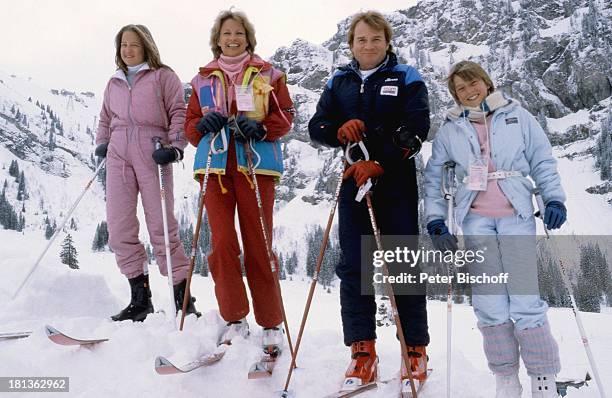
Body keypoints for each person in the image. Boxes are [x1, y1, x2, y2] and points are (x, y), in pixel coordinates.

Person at [424, 60, 566, 398]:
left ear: (486, 83)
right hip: (475, 218)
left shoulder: (518, 116)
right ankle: (505, 377)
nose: (469, 91)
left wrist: (554, 199)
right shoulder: (450, 129)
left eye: (473, 83)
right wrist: (435, 220)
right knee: (489, 303)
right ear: (455, 95)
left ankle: (542, 376)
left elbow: (542, 160)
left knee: (524, 299)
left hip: (515, 213)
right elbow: (435, 178)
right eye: (460, 88)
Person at [309, 10, 430, 391]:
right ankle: (363, 352)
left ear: (387, 42)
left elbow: (417, 129)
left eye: (376, 39)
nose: (368, 45)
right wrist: (338, 131)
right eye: (361, 39)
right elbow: (317, 126)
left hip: (393, 181)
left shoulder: (407, 76)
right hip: (352, 180)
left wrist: (382, 162)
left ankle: (415, 350)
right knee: (355, 267)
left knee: (402, 264)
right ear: (351, 44)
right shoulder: (339, 81)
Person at [184, 10, 294, 348]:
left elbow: (286, 116)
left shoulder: (269, 75)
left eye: (239, 33)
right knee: (221, 246)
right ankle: (234, 318)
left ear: (249, 39)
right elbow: (190, 126)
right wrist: (200, 128)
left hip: (255, 168)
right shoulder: (201, 79)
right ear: (217, 39)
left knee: (259, 244)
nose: (232, 38)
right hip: (215, 170)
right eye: (226, 33)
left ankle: (271, 323)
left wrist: (261, 127)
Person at [95, 24, 199, 322]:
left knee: (162, 226)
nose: (127, 50)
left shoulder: (163, 76)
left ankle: (183, 300)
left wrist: (175, 146)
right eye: (123, 45)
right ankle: (140, 300)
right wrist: (103, 142)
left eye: (134, 45)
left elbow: (179, 112)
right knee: (119, 227)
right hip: (118, 156)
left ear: (146, 47)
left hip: (153, 152)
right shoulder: (113, 82)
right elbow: (105, 117)